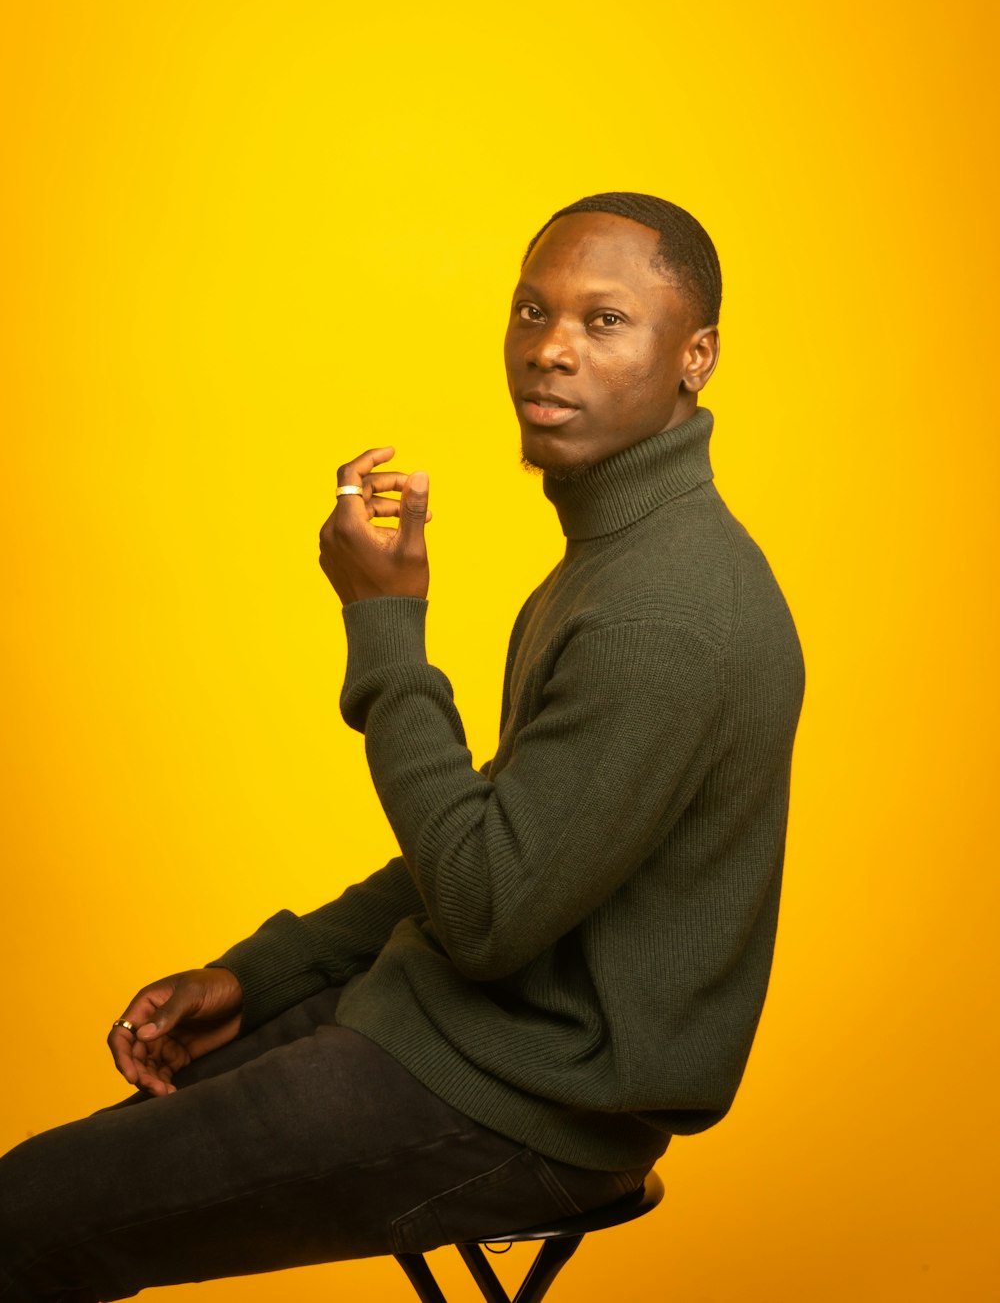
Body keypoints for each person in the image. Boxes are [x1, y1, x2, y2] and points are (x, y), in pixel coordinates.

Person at [0, 192, 805, 1300]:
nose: (550, 350)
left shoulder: (659, 611)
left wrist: (384, 628)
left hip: (522, 1107)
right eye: (532, 311)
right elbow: (497, 843)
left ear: (694, 355)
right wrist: (257, 975)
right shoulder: (617, 561)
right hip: (456, 1036)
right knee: (46, 1192)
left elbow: (481, 909)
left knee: (33, 1216)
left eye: (603, 321)